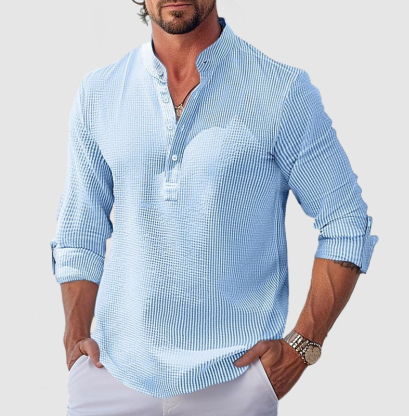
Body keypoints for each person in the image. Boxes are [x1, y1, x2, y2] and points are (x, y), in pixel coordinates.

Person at [50, 1, 379, 415]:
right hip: (110, 377)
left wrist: (303, 346)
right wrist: (75, 337)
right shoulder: (99, 93)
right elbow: (80, 232)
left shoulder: (280, 91)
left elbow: (346, 224)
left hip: (233, 381)